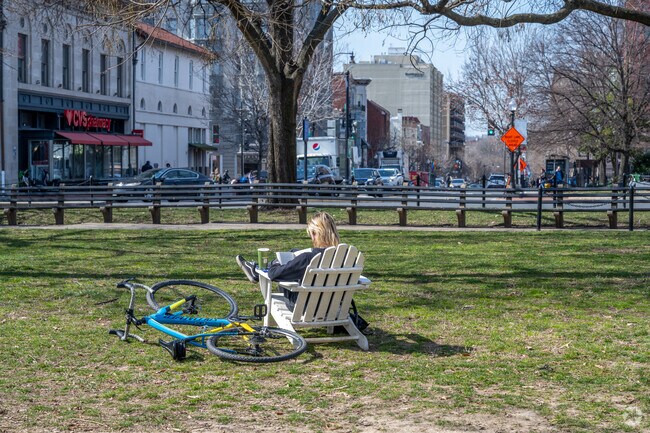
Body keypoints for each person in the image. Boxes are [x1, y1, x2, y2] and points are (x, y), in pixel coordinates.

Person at [236, 212, 341, 285]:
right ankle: (256, 271)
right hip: (336, 306)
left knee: (286, 265)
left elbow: (273, 274)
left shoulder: (307, 258)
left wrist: (277, 263)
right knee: (294, 251)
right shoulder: (344, 257)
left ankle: (257, 270)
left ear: (315, 233)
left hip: (304, 307)